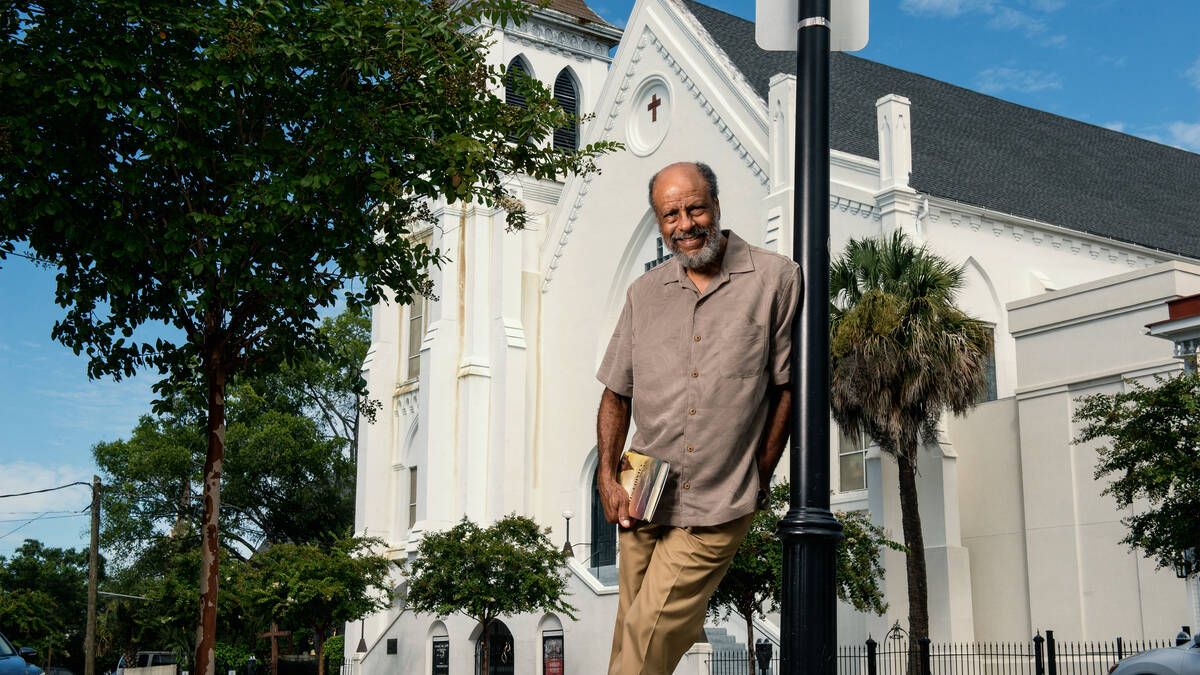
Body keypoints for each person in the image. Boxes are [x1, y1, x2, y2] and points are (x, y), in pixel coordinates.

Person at [595, 161, 801, 674]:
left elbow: (787, 390)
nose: (684, 224)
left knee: (648, 633)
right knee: (632, 632)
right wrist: (606, 476)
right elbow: (616, 394)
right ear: (657, 221)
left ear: (715, 206)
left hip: (719, 491)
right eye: (670, 214)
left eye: (695, 208)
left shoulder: (775, 278)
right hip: (642, 484)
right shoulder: (644, 294)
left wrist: (759, 476)